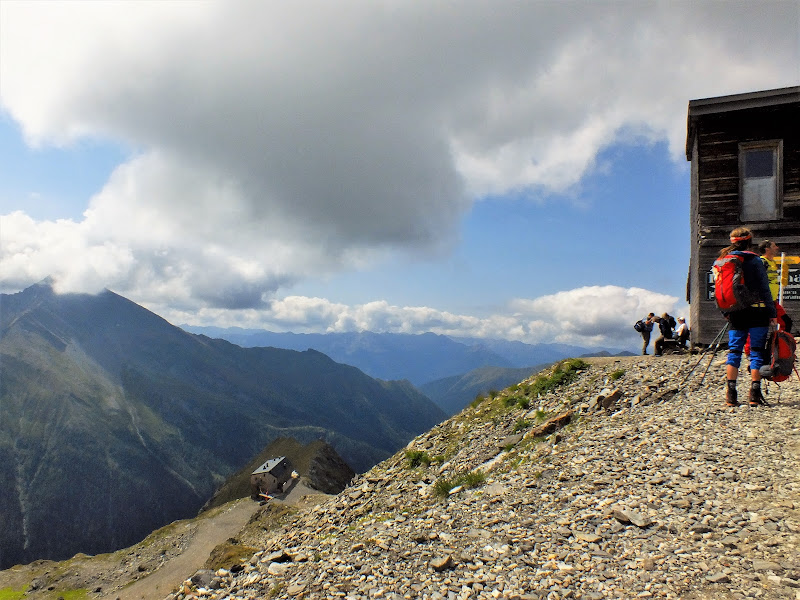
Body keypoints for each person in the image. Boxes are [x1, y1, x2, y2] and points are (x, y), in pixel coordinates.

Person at [719, 227, 777, 407]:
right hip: (757, 310)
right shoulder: (754, 260)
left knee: (734, 351)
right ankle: (754, 394)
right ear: (749, 241)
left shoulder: (723, 261)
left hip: (735, 312)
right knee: (757, 352)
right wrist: (772, 313)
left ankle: (731, 395)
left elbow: (719, 290)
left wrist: (726, 312)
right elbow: (764, 289)